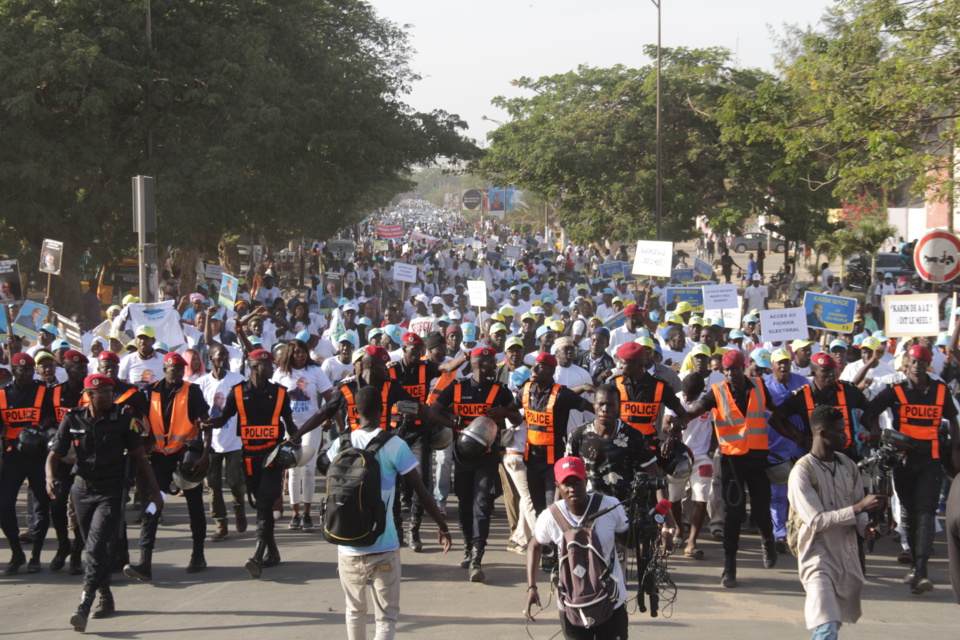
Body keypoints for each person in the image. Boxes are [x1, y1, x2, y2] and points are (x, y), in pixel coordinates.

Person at [324, 385, 452, 640]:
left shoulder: (341, 443)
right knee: (386, 616)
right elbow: (422, 492)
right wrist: (443, 526)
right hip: (384, 544)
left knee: (354, 610)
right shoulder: (394, 444)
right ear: (382, 410)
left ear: (356, 411)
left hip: (347, 546)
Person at [45, 374, 164, 632]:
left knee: (97, 545)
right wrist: (50, 477)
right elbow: (54, 453)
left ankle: (84, 603)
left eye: (111, 392)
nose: (110, 396)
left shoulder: (123, 420)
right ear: (89, 395)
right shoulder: (73, 418)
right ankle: (105, 594)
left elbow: (141, 457)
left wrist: (155, 492)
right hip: (81, 491)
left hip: (110, 492)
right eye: (104, 393)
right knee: (92, 547)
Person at [686, 349, 804, 588]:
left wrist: (794, 434)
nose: (730, 374)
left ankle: (768, 540)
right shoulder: (717, 392)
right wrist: (677, 420)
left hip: (758, 459)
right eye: (727, 370)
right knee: (734, 515)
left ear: (745, 368)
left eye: (735, 369)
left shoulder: (759, 386)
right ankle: (729, 568)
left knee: (761, 511)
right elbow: (694, 410)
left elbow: (775, 414)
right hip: (732, 462)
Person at [866, 344, 960, 594]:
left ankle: (921, 569)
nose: (917, 366)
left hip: (931, 460)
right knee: (907, 510)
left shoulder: (940, 391)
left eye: (922, 362)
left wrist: (954, 450)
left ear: (928, 365)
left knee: (926, 512)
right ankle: (915, 565)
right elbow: (870, 411)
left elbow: (953, 420)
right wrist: (876, 431)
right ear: (906, 364)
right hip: (903, 461)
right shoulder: (895, 390)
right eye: (913, 362)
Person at [428, 346, 522, 582]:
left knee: (482, 503)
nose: (496, 366)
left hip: (488, 455)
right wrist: (451, 420)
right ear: (479, 364)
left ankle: (478, 555)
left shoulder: (499, 390)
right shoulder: (457, 387)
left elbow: (518, 418)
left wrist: (504, 411)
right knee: (464, 501)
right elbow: (433, 412)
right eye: (491, 362)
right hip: (462, 455)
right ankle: (468, 547)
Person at [788, 406, 882, 640]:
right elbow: (816, 521)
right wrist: (859, 508)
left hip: (845, 557)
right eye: (840, 431)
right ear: (822, 434)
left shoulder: (847, 465)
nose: (845, 436)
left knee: (832, 624)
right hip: (816, 558)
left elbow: (858, 507)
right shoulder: (802, 472)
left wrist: (866, 528)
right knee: (826, 625)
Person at [202, 349, 299, 578]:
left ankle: (257, 554)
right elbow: (224, 418)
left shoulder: (280, 393)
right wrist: (210, 424)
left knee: (265, 504)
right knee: (260, 503)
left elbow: (289, 422)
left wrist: (298, 443)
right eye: (267, 365)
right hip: (249, 459)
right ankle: (273, 552)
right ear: (255, 367)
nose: (271, 368)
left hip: (273, 458)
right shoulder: (237, 393)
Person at [124, 352, 211, 581]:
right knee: (153, 506)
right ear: (165, 370)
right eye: (174, 371)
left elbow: (206, 422)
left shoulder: (192, 391)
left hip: (186, 456)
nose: (179, 375)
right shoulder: (149, 391)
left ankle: (198, 554)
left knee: (194, 506)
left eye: (182, 371)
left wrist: (205, 454)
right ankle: (144, 562)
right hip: (161, 457)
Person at [524, 456, 630, 640]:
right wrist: (531, 587)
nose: (572, 487)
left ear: (586, 481)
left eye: (577, 481)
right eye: (566, 483)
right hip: (571, 605)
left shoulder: (611, 506)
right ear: (557, 487)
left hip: (612, 601)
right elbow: (534, 546)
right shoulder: (549, 517)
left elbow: (629, 540)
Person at [0, 352, 55, 574]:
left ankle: (36, 555)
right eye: (23, 370)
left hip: (37, 456)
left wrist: (40, 429)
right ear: (14, 371)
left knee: (42, 505)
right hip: (12, 455)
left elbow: (53, 417)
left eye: (31, 370)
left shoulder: (43, 391)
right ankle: (16, 550)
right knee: (4, 505)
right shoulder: (3, 394)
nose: (28, 374)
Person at [271, 339, 333, 531]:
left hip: (311, 426)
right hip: (288, 428)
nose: (301, 355)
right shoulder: (281, 373)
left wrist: (332, 419)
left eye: (303, 352)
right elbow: (273, 399)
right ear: (290, 354)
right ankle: (295, 514)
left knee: (307, 469)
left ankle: (307, 513)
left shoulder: (315, 371)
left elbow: (330, 397)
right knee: (293, 471)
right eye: (297, 352)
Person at [196, 344, 247, 542]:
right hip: (211, 443)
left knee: (235, 480)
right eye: (220, 356)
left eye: (226, 355)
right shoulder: (201, 383)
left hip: (234, 441)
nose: (224, 359)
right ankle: (220, 523)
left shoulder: (237, 380)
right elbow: (197, 412)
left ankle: (239, 509)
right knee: (213, 485)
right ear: (211, 359)